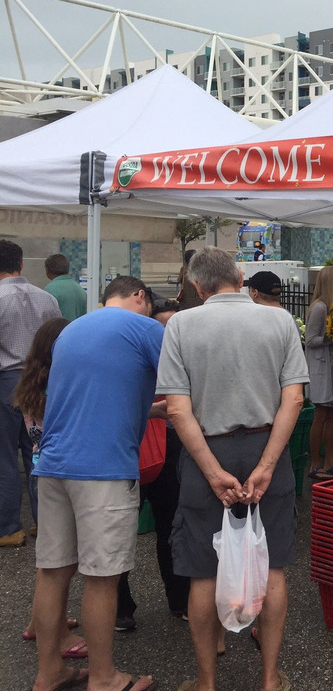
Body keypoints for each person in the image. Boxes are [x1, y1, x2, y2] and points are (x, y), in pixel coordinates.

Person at [156, 247, 308, 691]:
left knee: (203, 570)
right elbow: (294, 399)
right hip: (268, 445)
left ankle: (206, 682)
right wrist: (266, 464)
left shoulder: (181, 324)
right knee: (275, 564)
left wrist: (209, 471)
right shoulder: (278, 319)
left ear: (197, 287)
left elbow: (178, 412)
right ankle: (269, 679)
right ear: (241, 277)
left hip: (207, 448)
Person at [30, 275, 163, 691]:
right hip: (102, 469)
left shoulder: (73, 330)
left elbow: (99, 395)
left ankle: (49, 671)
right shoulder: (145, 327)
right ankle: (104, 678)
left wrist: (147, 410)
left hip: (53, 464)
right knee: (102, 577)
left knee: (53, 572)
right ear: (140, 296)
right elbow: (184, 384)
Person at [115, 298, 190, 634]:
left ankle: (180, 599)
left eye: (171, 327)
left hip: (171, 448)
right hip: (129, 448)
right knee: (119, 532)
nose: (164, 334)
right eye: (160, 327)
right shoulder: (128, 356)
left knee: (171, 527)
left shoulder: (185, 355)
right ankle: (120, 609)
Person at [14, 317, 83, 658]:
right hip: (63, 472)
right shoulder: (62, 381)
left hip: (40, 471)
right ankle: (57, 638)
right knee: (60, 564)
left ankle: (37, 622)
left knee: (50, 562)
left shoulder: (31, 382)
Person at [0, 240, 61, 548]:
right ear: (21, 264)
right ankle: (46, 522)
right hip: (42, 381)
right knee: (38, 452)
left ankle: (9, 527)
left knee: (4, 458)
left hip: (6, 381)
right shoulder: (47, 298)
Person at [305, 266, 333, 481]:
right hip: (323, 368)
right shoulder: (320, 308)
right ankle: (315, 463)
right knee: (321, 415)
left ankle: (330, 461)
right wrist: (332, 338)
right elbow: (310, 340)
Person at [42, 254, 87, 321]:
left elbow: (45, 319)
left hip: (59, 331)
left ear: (47, 270)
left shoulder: (49, 290)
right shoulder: (80, 290)